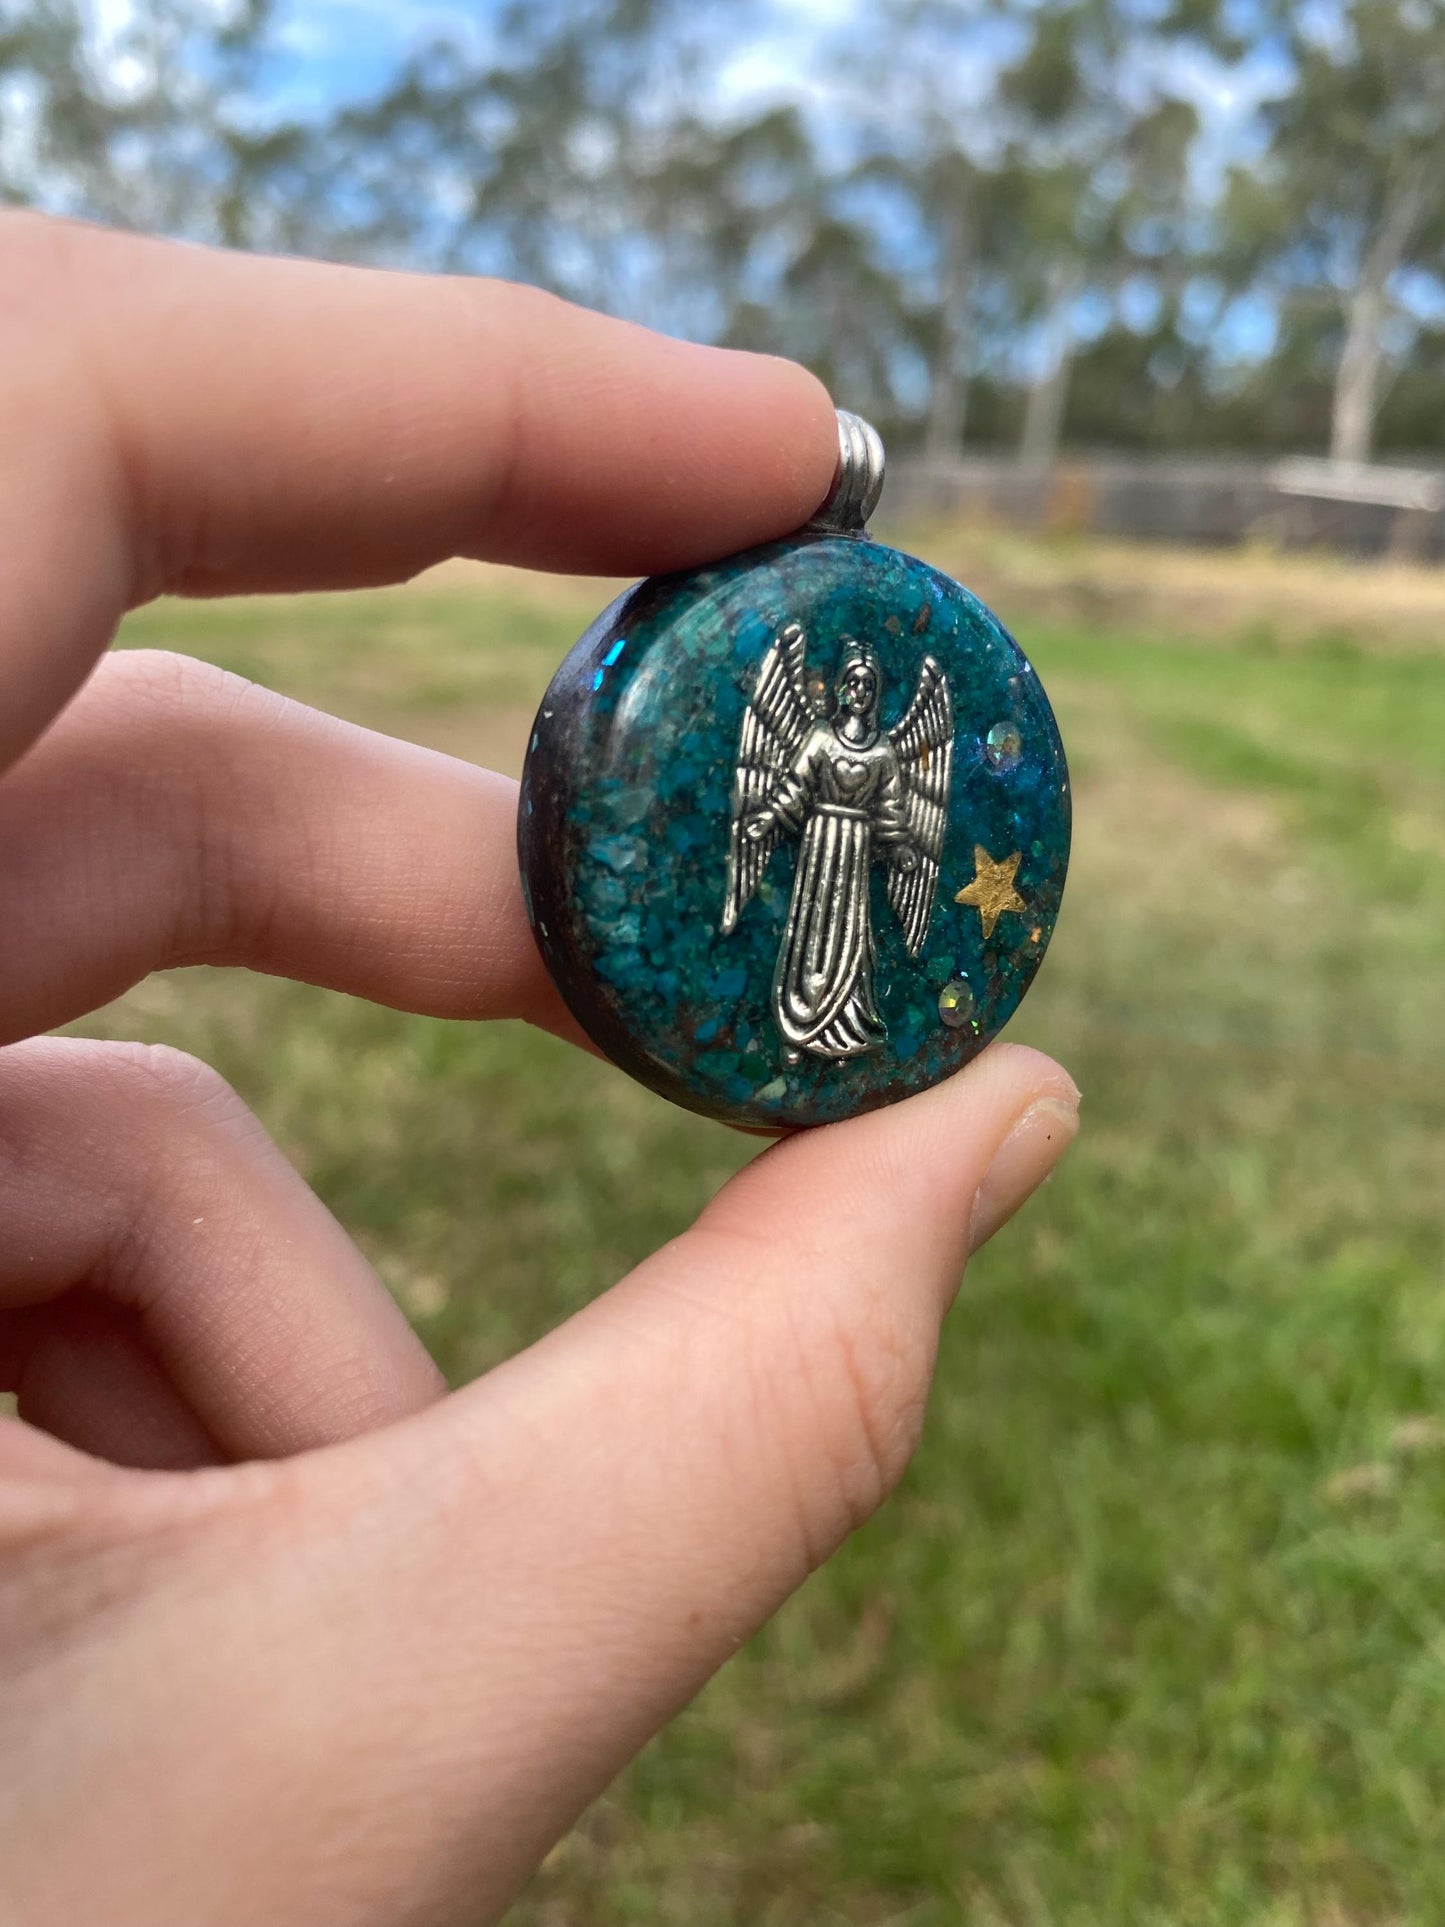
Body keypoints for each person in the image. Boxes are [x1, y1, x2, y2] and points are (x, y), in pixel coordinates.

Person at [0, 213, 1079, 1925]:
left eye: (871, 683)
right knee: (800, 944)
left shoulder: (899, 717)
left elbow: (883, 823)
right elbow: (779, 800)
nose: (860, 683)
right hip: (780, 900)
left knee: (819, 946)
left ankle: (800, 1005)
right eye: (847, 677)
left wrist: (844, 788)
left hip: (833, 914)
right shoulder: (802, 703)